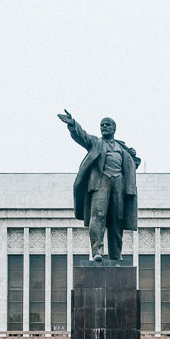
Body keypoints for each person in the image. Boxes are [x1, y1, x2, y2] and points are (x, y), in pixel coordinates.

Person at [58, 110, 141, 261]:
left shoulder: (122, 148)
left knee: (118, 218)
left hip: (119, 183)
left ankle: (116, 255)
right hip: (101, 182)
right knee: (98, 216)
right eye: (102, 125)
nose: (104, 127)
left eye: (107, 125)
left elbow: (132, 167)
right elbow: (82, 136)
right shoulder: (96, 142)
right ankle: (97, 252)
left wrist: (132, 156)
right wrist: (72, 124)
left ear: (114, 129)